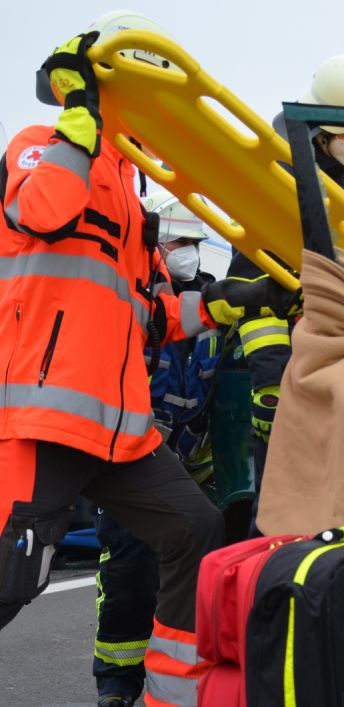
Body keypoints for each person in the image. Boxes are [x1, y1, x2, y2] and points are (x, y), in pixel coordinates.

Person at [0, 11, 300, 707]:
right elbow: (43, 212)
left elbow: (151, 316)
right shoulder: (40, 145)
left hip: (121, 429)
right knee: (12, 581)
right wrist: (80, 114)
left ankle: (167, 695)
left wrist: (222, 304)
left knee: (192, 528)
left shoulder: (135, 209)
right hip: (44, 415)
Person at [237, 54, 344, 535]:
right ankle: (265, 599)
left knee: (332, 505)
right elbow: (252, 289)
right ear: (324, 130)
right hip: (294, 367)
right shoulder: (278, 176)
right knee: (282, 509)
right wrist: (271, 382)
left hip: (339, 359)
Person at [92, 192, 222, 707]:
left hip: (198, 464)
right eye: (176, 242)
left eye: (193, 242)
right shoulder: (130, 294)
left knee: (200, 565)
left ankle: (183, 683)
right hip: (131, 454)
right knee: (128, 568)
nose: (185, 251)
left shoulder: (215, 301)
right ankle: (117, 686)